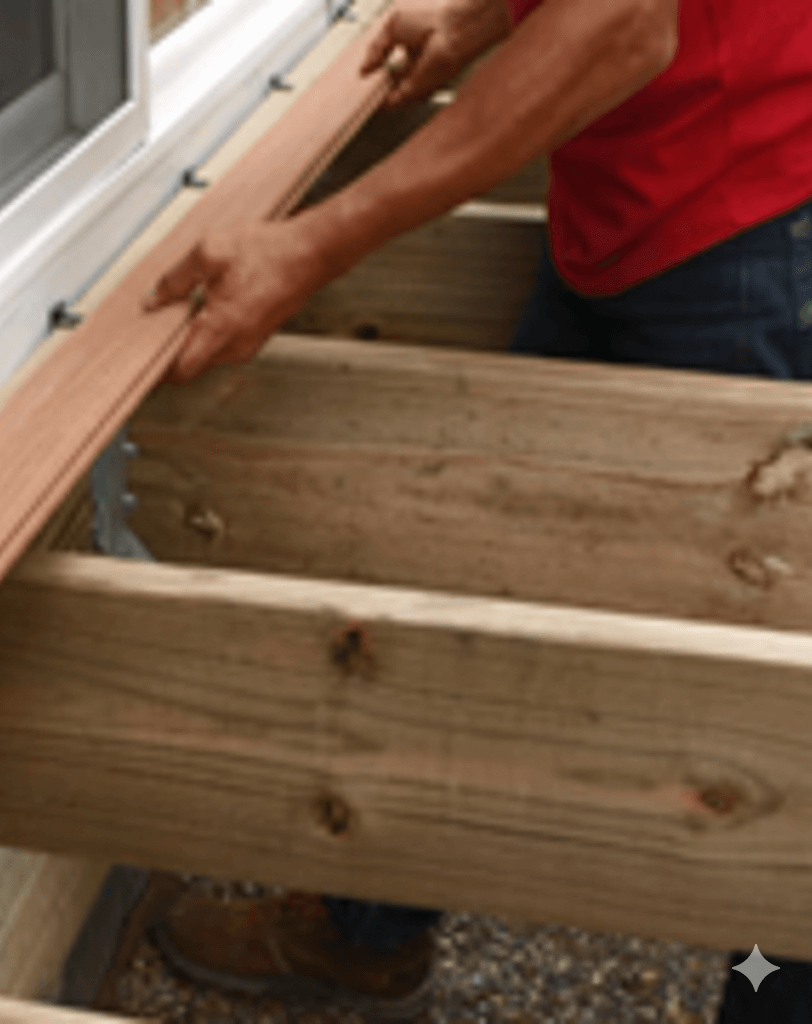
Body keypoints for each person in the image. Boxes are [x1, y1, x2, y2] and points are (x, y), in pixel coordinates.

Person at [142, 0, 812, 1015]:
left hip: (749, 219)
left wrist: (316, 245)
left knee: (770, 699)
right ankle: (366, 934)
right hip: (638, 190)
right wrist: (486, 16)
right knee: (481, 595)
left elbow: (623, 22)